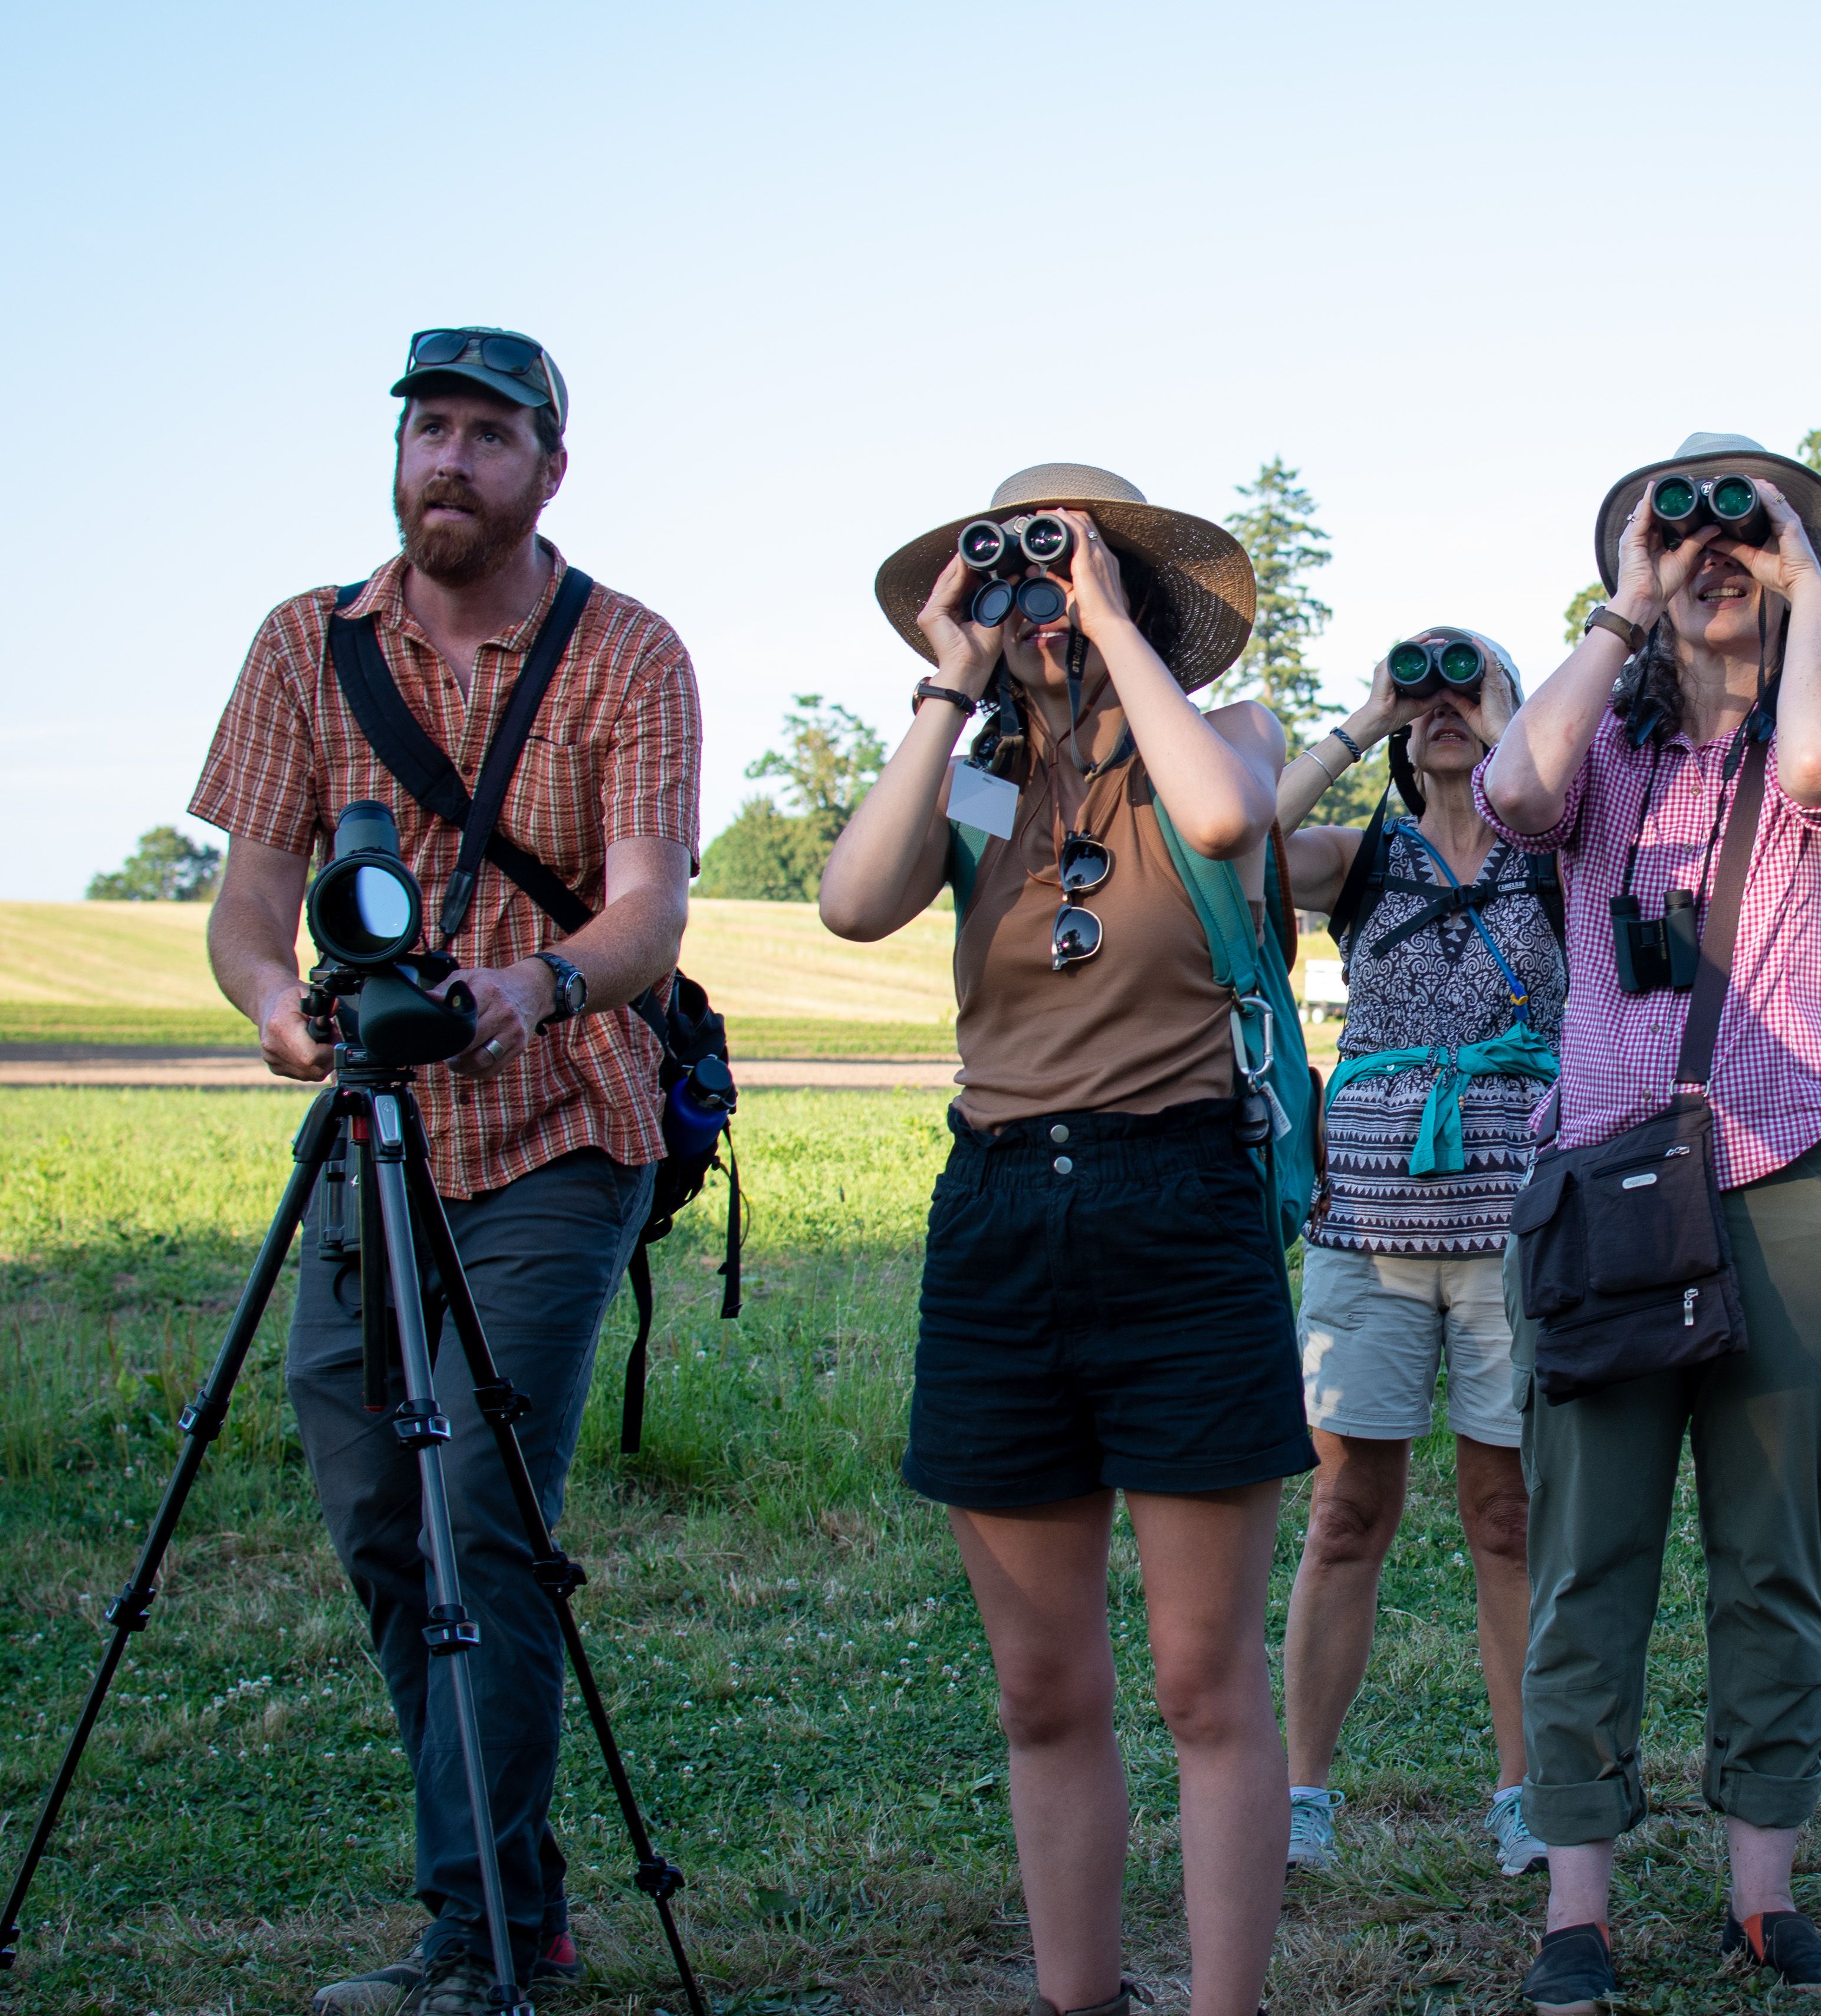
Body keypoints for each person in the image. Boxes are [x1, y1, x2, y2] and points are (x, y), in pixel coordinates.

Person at [192, 328, 703, 2015]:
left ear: (550, 468)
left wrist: (529, 986)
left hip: (560, 1118)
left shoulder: (626, 651)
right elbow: (250, 906)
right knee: (373, 1511)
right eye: (430, 429)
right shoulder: (302, 647)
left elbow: (647, 914)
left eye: (491, 436)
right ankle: (516, 1888)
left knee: (485, 1505)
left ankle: (481, 1937)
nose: (450, 463)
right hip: (363, 1126)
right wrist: (281, 1014)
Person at [819, 464, 1308, 2016]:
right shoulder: (966, 786)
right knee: (1042, 1686)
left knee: (1199, 1678)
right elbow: (850, 902)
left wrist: (1105, 613)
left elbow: (1227, 820)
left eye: (1067, 571)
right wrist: (945, 679)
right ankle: (1076, 2000)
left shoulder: (1220, 743)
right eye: (1012, 577)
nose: (1038, 605)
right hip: (1002, 1215)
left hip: (1181, 1208)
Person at [1478, 435, 1821, 2011]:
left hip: (1790, 1184)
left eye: (1747, 533)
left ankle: (1761, 1899)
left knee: (1770, 1556)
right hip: (1605, 1181)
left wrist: (1793, 586)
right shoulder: (1596, 756)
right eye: (1684, 538)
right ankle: (1573, 1918)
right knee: (1586, 1553)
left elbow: (1807, 773)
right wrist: (1623, 611)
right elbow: (1513, 788)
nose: (1711, 553)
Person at [1273, 629, 1563, 1879]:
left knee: (1506, 1518)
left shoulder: (1559, 859)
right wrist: (1361, 715)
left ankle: (1520, 1790)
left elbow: (1579, 809)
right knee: (1345, 1512)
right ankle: (1298, 1795)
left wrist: (1514, 737)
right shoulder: (1357, 859)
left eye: (1472, 686)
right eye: (1425, 696)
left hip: (1515, 1235)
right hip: (1365, 1237)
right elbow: (1227, 845)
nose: (1444, 707)